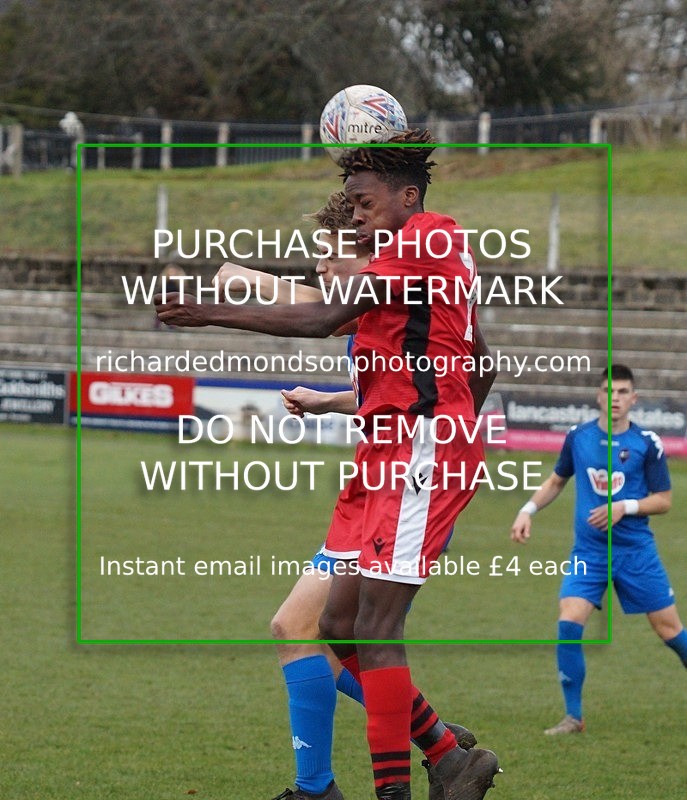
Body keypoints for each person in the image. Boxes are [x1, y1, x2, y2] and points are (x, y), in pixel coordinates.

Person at [156, 130, 501, 800]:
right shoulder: (407, 274)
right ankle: (443, 754)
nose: (353, 218)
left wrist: (205, 309)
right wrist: (393, 406)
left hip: (416, 455)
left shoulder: (421, 245)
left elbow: (322, 318)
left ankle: (373, 787)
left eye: (363, 205)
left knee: (362, 630)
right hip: (393, 453)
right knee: (338, 627)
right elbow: (476, 362)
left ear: (405, 197)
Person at [511, 364, 687, 735]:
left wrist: (625, 507)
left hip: (635, 552)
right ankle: (574, 718)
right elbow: (557, 480)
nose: (616, 398)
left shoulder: (646, 444)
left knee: (669, 630)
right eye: (610, 391)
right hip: (589, 553)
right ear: (599, 395)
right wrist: (527, 510)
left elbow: (665, 500)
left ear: (634, 399)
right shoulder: (579, 437)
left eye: (623, 392)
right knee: (568, 624)